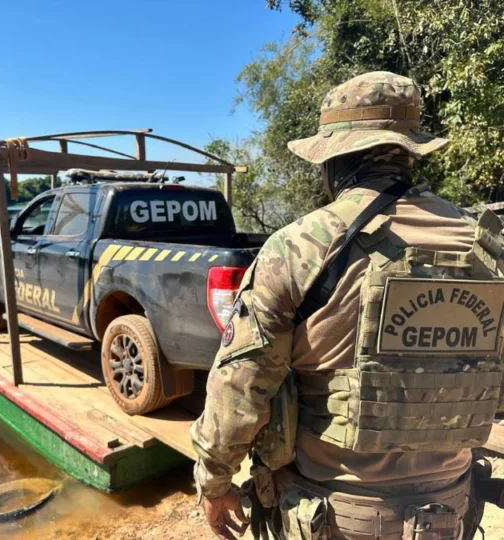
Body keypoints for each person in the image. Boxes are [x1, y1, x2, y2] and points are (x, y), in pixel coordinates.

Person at [190, 71, 504, 540]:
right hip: (450, 508)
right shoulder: (487, 244)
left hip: (332, 515)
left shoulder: (299, 247)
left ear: (334, 161)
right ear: (409, 153)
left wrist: (213, 481)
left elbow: (242, 384)